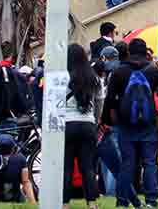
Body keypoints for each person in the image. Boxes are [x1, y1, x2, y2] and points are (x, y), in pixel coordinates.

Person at [104, 38, 158, 208]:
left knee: (127, 163)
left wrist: (111, 120)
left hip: (126, 124)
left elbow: (111, 100)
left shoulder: (119, 72)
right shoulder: (153, 71)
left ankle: (122, 201)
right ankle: (151, 200)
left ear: (129, 52)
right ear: (146, 52)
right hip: (148, 124)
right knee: (149, 163)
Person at [62, 44, 100, 209]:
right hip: (88, 124)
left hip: (67, 124)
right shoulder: (93, 77)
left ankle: (64, 203)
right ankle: (91, 203)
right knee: (88, 167)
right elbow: (100, 102)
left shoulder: (62, 77)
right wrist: (95, 121)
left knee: (67, 168)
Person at [0, 133, 35, 205]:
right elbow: (26, 182)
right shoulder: (20, 158)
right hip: (15, 200)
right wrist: (33, 203)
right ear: (13, 148)